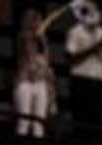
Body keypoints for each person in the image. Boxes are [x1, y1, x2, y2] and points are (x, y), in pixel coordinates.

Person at [12, 5, 65, 137]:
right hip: (25, 81)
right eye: (34, 20)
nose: (37, 23)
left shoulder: (43, 39)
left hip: (40, 82)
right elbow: (28, 49)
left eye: (39, 20)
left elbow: (46, 64)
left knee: (39, 124)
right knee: (24, 123)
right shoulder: (24, 36)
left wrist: (51, 89)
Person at [61, 0, 102, 132]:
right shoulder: (75, 32)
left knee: (97, 125)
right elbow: (70, 58)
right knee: (80, 123)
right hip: (80, 82)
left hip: (99, 82)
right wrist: (93, 49)